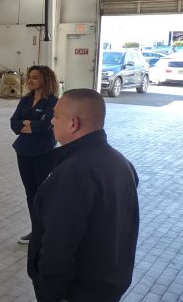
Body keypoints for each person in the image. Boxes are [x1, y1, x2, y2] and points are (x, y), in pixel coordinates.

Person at [27, 89, 139, 302]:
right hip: (108, 287)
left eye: (56, 115)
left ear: (73, 123)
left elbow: (58, 249)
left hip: (76, 293)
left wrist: (48, 295)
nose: (51, 121)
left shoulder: (72, 175)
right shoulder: (121, 163)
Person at [9, 65, 59, 244]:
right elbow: (14, 123)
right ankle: (36, 231)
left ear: (45, 80)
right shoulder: (25, 100)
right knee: (31, 193)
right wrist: (31, 125)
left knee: (42, 193)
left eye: (35, 77)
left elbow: (45, 126)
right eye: (29, 77)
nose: (29, 80)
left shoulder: (53, 102)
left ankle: (49, 231)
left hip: (43, 152)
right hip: (23, 151)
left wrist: (28, 125)